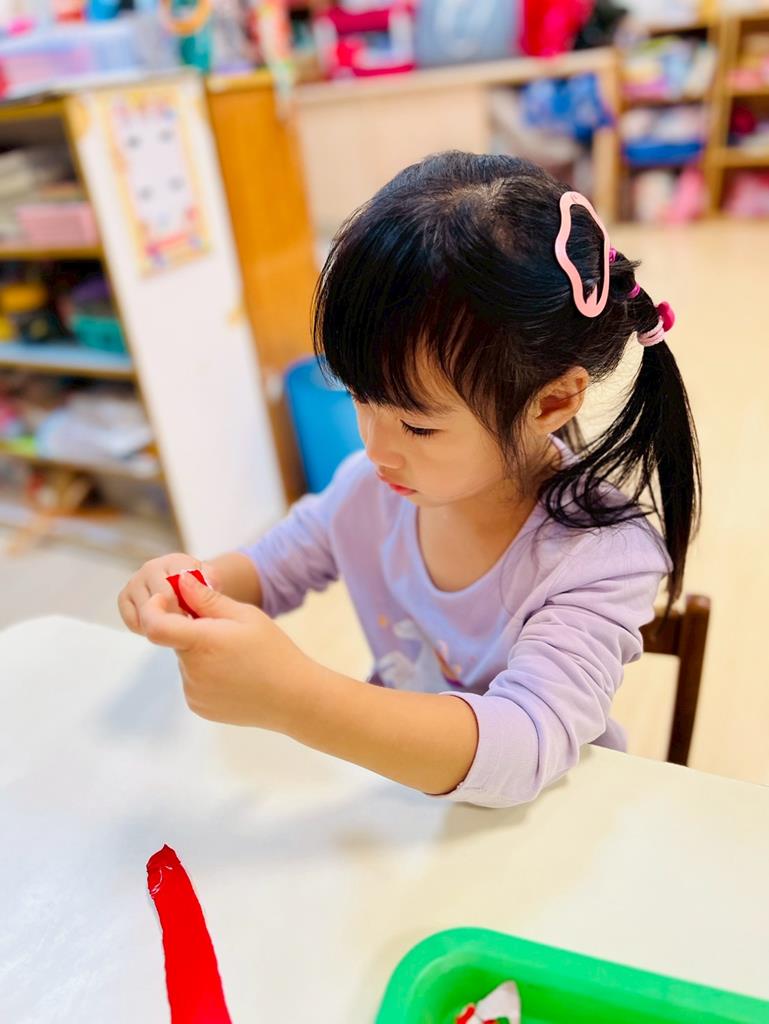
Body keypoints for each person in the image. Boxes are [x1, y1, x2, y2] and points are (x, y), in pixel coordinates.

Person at [119, 153, 700, 808]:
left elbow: (525, 745)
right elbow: (269, 569)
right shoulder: (369, 489)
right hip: (401, 802)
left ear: (552, 402)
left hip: (536, 825)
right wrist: (187, 586)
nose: (375, 448)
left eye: (417, 426)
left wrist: (295, 698)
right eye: (359, 397)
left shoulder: (600, 556)